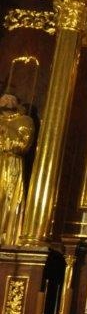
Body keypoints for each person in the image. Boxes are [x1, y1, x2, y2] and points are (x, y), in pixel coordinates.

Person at [0, 90, 34, 245]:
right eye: (4, 98)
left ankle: (6, 237)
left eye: (10, 98)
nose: (6, 100)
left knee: (7, 198)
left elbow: (23, 146)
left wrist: (6, 132)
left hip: (10, 163)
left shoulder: (24, 120)